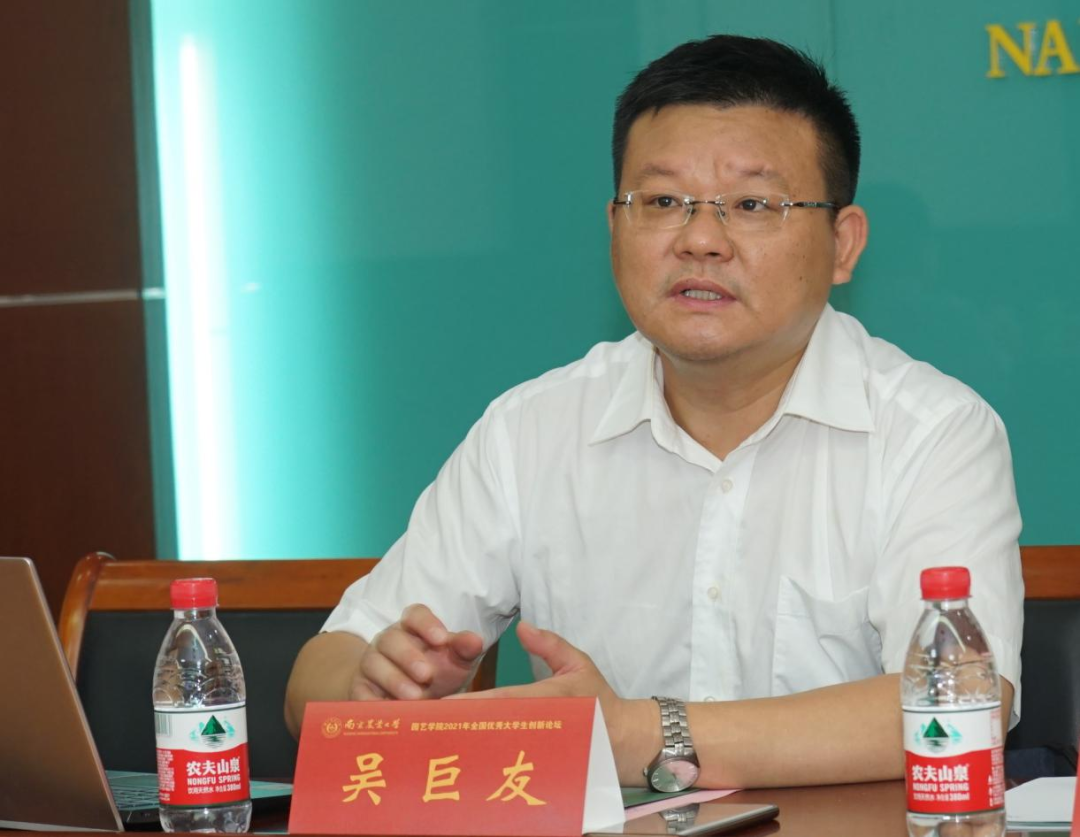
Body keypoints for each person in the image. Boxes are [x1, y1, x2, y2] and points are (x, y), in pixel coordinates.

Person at [284, 34, 1023, 790]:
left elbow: (961, 703)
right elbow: (318, 676)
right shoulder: (531, 430)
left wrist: (640, 732)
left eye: (753, 205)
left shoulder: (933, 432)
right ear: (614, 227)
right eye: (663, 202)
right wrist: (372, 689)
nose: (700, 239)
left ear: (842, 244)